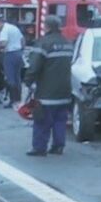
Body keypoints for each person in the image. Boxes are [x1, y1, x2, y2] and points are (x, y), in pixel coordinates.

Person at [23, 15, 72, 156]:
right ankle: (58, 146)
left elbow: (34, 66)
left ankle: (39, 148)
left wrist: (28, 81)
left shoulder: (43, 43)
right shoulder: (68, 43)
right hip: (65, 90)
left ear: (47, 27)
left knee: (42, 120)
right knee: (60, 120)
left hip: (46, 92)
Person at [0, 16, 25, 108]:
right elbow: (23, 40)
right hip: (18, 54)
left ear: (0, 22)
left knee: (10, 78)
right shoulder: (14, 28)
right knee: (17, 78)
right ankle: (18, 100)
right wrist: (20, 50)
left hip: (10, 55)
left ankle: (13, 100)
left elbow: (3, 43)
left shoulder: (4, 29)